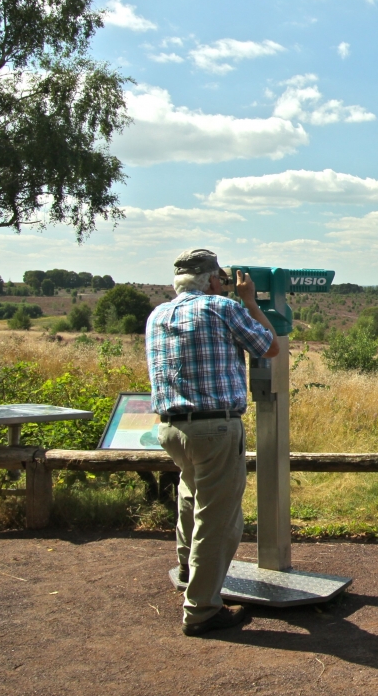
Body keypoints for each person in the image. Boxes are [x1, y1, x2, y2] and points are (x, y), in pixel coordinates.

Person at [145, 248, 278, 636]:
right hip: (216, 427)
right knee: (218, 519)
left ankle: (188, 570)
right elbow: (268, 345)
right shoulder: (221, 307)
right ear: (214, 281)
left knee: (190, 494)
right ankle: (202, 609)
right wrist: (250, 302)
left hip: (171, 428)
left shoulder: (157, 315)